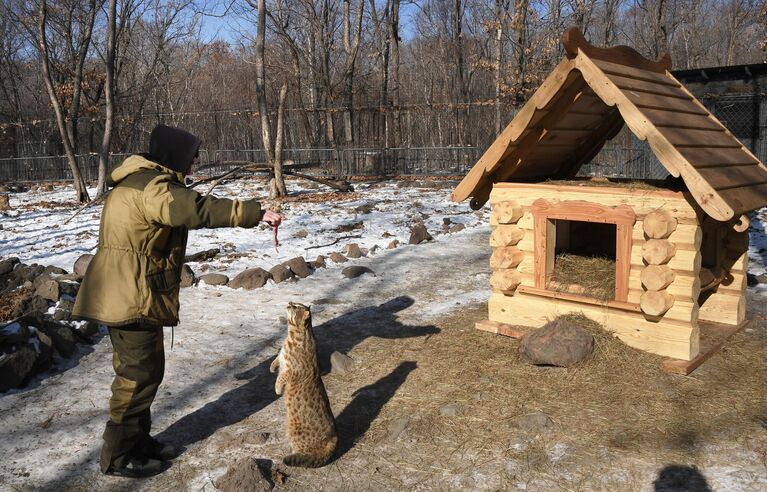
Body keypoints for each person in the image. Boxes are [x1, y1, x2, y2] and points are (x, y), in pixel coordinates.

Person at [72, 124, 282, 478]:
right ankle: (119, 456)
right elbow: (195, 209)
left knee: (147, 372)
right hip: (128, 294)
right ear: (175, 157)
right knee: (136, 377)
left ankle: (138, 441)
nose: (195, 163)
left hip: (130, 290)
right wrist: (254, 213)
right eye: (192, 157)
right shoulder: (152, 187)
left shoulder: (138, 180)